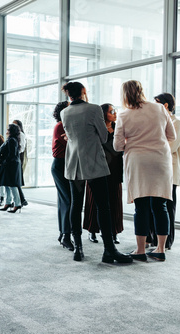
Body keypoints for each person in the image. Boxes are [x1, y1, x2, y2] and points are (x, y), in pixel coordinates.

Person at [61, 81, 131, 263]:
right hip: (92, 162)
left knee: (76, 205)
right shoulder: (93, 109)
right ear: (83, 92)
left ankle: (78, 249)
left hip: (73, 163)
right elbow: (103, 136)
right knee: (103, 206)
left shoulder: (64, 112)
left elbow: (70, 136)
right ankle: (109, 250)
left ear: (68, 95)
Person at [114, 81, 176, 262]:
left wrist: (134, 141)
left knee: (140, 207)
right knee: (160, 205)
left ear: (124, 94)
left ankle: (140, 250)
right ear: (142, 91)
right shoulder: (159, 109)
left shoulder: (124, 114)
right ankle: (160, 249)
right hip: (160, 161)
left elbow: (118, 146)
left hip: (138, 162)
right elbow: (171, 136)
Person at [147, 93, 180, 250]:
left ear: (166, 105)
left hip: (169, 171)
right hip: (155, 169)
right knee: (153, 206)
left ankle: (166, 242)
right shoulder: (157, 122)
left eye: (156, 103)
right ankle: (153, 239)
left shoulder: (177, 123)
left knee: (168, 207)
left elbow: (169, 147)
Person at [83, 104, 124, 245]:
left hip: (115, 168)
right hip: (96, 167)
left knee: (114, 199)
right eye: (111, 111)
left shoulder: (119, 128)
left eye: (115, 111)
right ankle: (92, 230)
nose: (115, 113)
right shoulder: (95, 128)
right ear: (103, 114)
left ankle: (114, 232)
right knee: (94, 200)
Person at [49, 101, 73, 251]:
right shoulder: (61, 125)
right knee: (68, 201)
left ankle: (63, 233)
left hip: (66, 164)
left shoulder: (66, 125)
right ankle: (65, 235)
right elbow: (71, 143)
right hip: (60, 165)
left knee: (64, 201)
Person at [0, 123, 23, 213]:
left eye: (8, 129)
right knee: (6, 184)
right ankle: (8, 202)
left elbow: (12, 154)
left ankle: (17, 204)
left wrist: (5, 162)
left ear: (11, 131)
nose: (6, 131)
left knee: (12, 185)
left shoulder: (12, 140)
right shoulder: (10, 139)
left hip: (11, 166)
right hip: (9, 166)